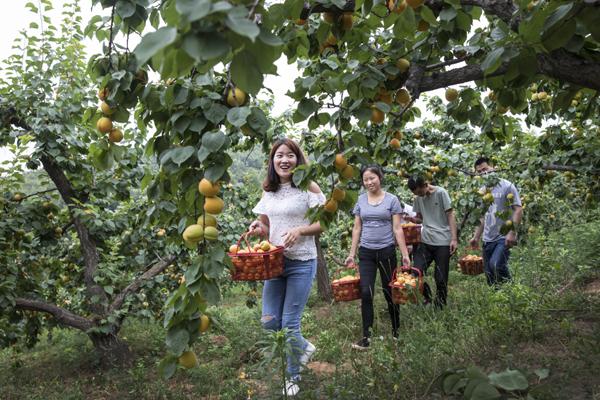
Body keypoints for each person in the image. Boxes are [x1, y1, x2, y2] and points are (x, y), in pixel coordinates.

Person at [247, 138, 325, 396]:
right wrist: (259, 228)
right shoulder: (268, 190)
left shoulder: (308, 187)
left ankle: (292, 377)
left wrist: (301, 229)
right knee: (270, 321)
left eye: (289, 155)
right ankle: (303, 348)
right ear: (272, 160)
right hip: (275, 263)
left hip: (302, 261)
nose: (284, 160)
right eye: (279, 155)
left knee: (290, 323)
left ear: (297, 159)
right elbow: (267, 227)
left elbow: (322, 224)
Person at [345, 165, 411, 350]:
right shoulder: (360, 200)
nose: (369, 182)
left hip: (386, 251)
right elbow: (357, 228)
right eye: (365, 179)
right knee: (366, 293)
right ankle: (366, 338)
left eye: (372, 178)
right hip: (366, 252)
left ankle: (396, 332)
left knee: (391, 293)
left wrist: (405, 254)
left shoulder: (392, 200)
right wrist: (352, 253)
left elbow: (397, 228)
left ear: (380, 178)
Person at [469, 157, 523, 286]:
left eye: (486, 169)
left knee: (496, 265)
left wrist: (512, 233)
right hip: (487, 239)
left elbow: (518, 209)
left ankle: (512, 291)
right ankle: (498, 300)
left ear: (494, 168)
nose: (484, 173)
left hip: (503, 236)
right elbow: (482, 217)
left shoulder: (507, 186)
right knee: (489, 273)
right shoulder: (481, 191)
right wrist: (476, 237)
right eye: (480, 172)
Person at [407, 176, 458, 309]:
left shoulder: (441, 193)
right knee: (416, 272)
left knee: (440, 278)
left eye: (419, 192)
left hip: (443, 242)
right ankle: (427, 297)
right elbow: (420, 219)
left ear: (425, 184)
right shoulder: (418, 198)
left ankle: (440, 305)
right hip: (425, 241)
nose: (419, 195)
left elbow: (450, 215)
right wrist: (411, 219)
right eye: (416, 194)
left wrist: (454, 238)